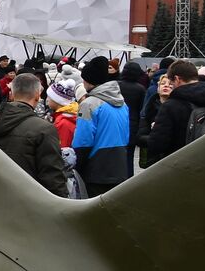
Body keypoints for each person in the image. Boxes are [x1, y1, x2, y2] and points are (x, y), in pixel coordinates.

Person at [0, 73, 68, 197]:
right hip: (29, 203)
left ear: (11, 94)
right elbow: (53, 177)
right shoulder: (44, 129)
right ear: (37, 96)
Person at [146, 60, 205, 165]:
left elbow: (157, 145)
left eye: (171, 82)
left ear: (177, 79)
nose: (171, 86)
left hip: (179, 167)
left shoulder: (171, 106)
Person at [71, 56, 129, 197]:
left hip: (96, 168)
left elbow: (83, 141)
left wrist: (77, 166)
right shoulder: (122, 103)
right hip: (120, 164)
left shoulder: (89, 104)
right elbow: (126, 135)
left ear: (88, 80)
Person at [116, 62, 147, 179]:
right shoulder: (140, 89)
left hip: (117, 122)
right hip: (132, 124)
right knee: (129, 155)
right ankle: (128, 178)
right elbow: (141, 109)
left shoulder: (117, 85)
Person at [45, 69, 80, 148]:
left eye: (49, 97)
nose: (47, 100)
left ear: (57, 100)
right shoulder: (67, 115)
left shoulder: (62, 122)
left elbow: (62, 148)